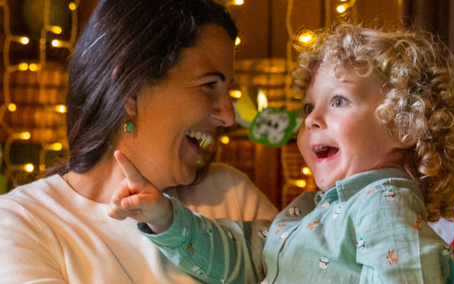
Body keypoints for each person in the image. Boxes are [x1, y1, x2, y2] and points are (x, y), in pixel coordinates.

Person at [108, 23, 454, 283]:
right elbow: (240, 257)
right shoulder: (318, 212)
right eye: (307, 109)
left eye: (338, 101)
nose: (313, 120)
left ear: (403, 125)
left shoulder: (384, 202)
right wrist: (166, 218)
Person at [0, 0, 278, 283]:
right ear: (130, 92)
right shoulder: (21, 223)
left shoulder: (232, 195)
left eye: (227, 89)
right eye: (209, 85)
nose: (229, 115)